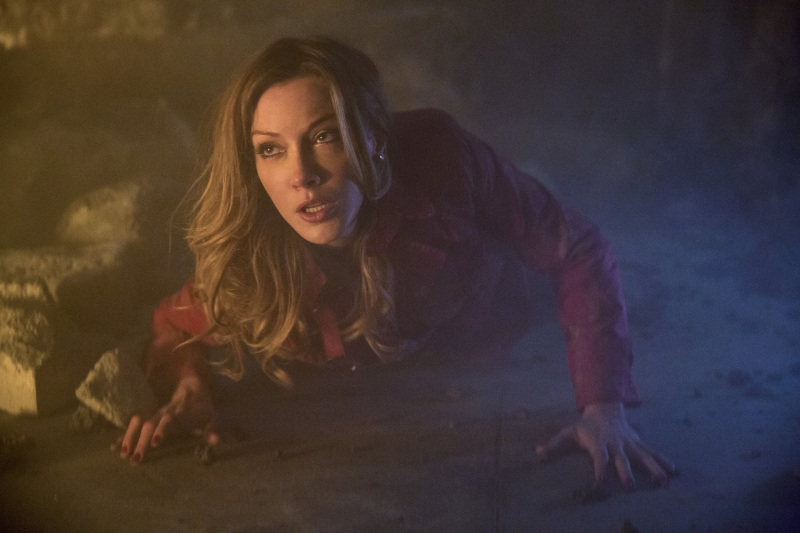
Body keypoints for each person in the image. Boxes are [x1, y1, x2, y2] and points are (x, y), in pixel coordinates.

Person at [117, 36, 676, 490]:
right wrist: (188, 385)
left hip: (494, 340)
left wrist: (604, 407)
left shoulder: (442, 159)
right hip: (376, 415)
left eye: (325, 137)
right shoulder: (251, 263)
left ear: (374, 139)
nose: (302, 175)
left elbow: (576, 245)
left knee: (642, 285)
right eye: (271, 149)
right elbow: (174, 324)